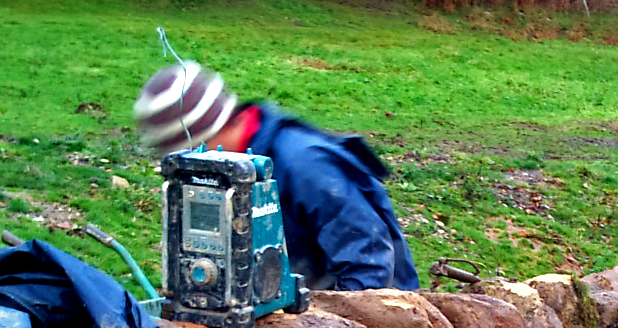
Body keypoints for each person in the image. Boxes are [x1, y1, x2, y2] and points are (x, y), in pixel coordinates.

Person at [133, 60, 419, 293]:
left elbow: (372, 270)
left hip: (364, 318)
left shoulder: (305, 164)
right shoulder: (218, 174)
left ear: (210, 134)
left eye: (189, 154)